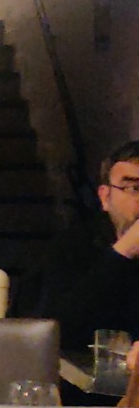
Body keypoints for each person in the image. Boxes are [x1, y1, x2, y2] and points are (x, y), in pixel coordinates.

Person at [23, 141, 139, 355]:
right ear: (105, 197)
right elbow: (55, 333)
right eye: (133, 188)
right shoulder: (73, 246)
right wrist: (122, 253)